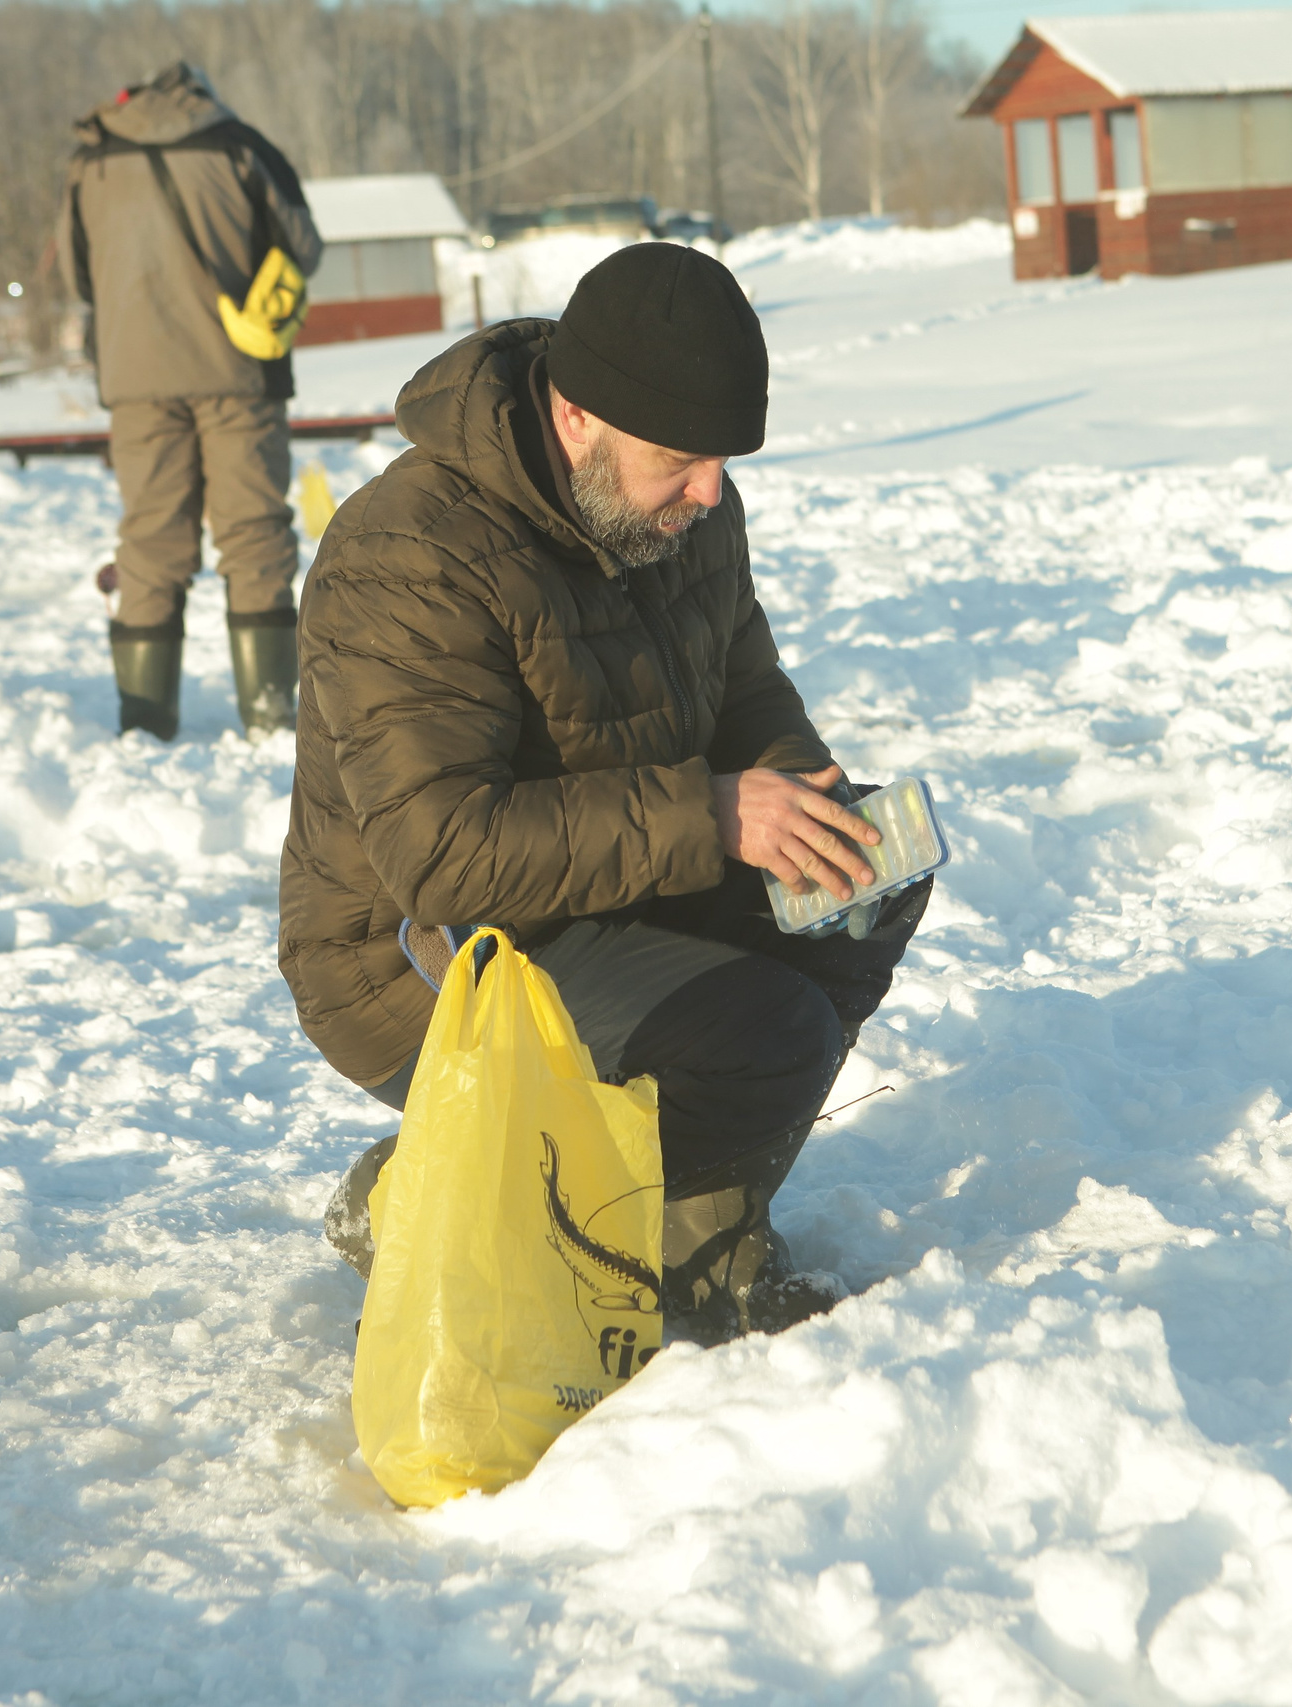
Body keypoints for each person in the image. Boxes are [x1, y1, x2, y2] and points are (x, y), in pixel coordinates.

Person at [280, 244, 928, 1345]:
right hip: (420, 953)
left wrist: (798, 790)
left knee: (856, 882)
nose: (710, 490)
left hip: (616, 884)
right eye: (679, 458)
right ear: (576, 417)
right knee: (761, 1029)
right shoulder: (407, 557)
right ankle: (425, 1189)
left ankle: (700, 1244)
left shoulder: (681, 511)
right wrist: (718, 816)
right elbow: (438, 856)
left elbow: (744, 687)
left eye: (721, 458)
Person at [59, 61, 323, 740]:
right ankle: (270, 719)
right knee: (254, 535)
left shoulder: (92, 161)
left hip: (135, 378)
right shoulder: (238, 145)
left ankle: (145, 724)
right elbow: (303, 244)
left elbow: (78, 273)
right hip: (238, 369)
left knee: (150, 543)